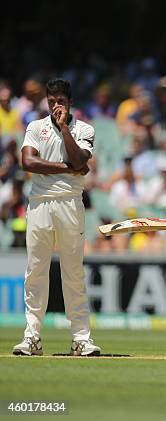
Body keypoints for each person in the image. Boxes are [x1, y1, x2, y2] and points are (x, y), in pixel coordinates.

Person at [13, 78, 101, 356]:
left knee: (72, 272)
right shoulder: (35, 127)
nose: (55, 106)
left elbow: (80, 160)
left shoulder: (84, 129)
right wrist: (66, 168)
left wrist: (64, 129)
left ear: (70, 102)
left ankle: (81, 339)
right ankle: (32, 338)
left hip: (69, 203)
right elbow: (28, 162)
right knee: (35, 272)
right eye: (51, 102)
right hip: (39, 204)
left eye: (60, 101)